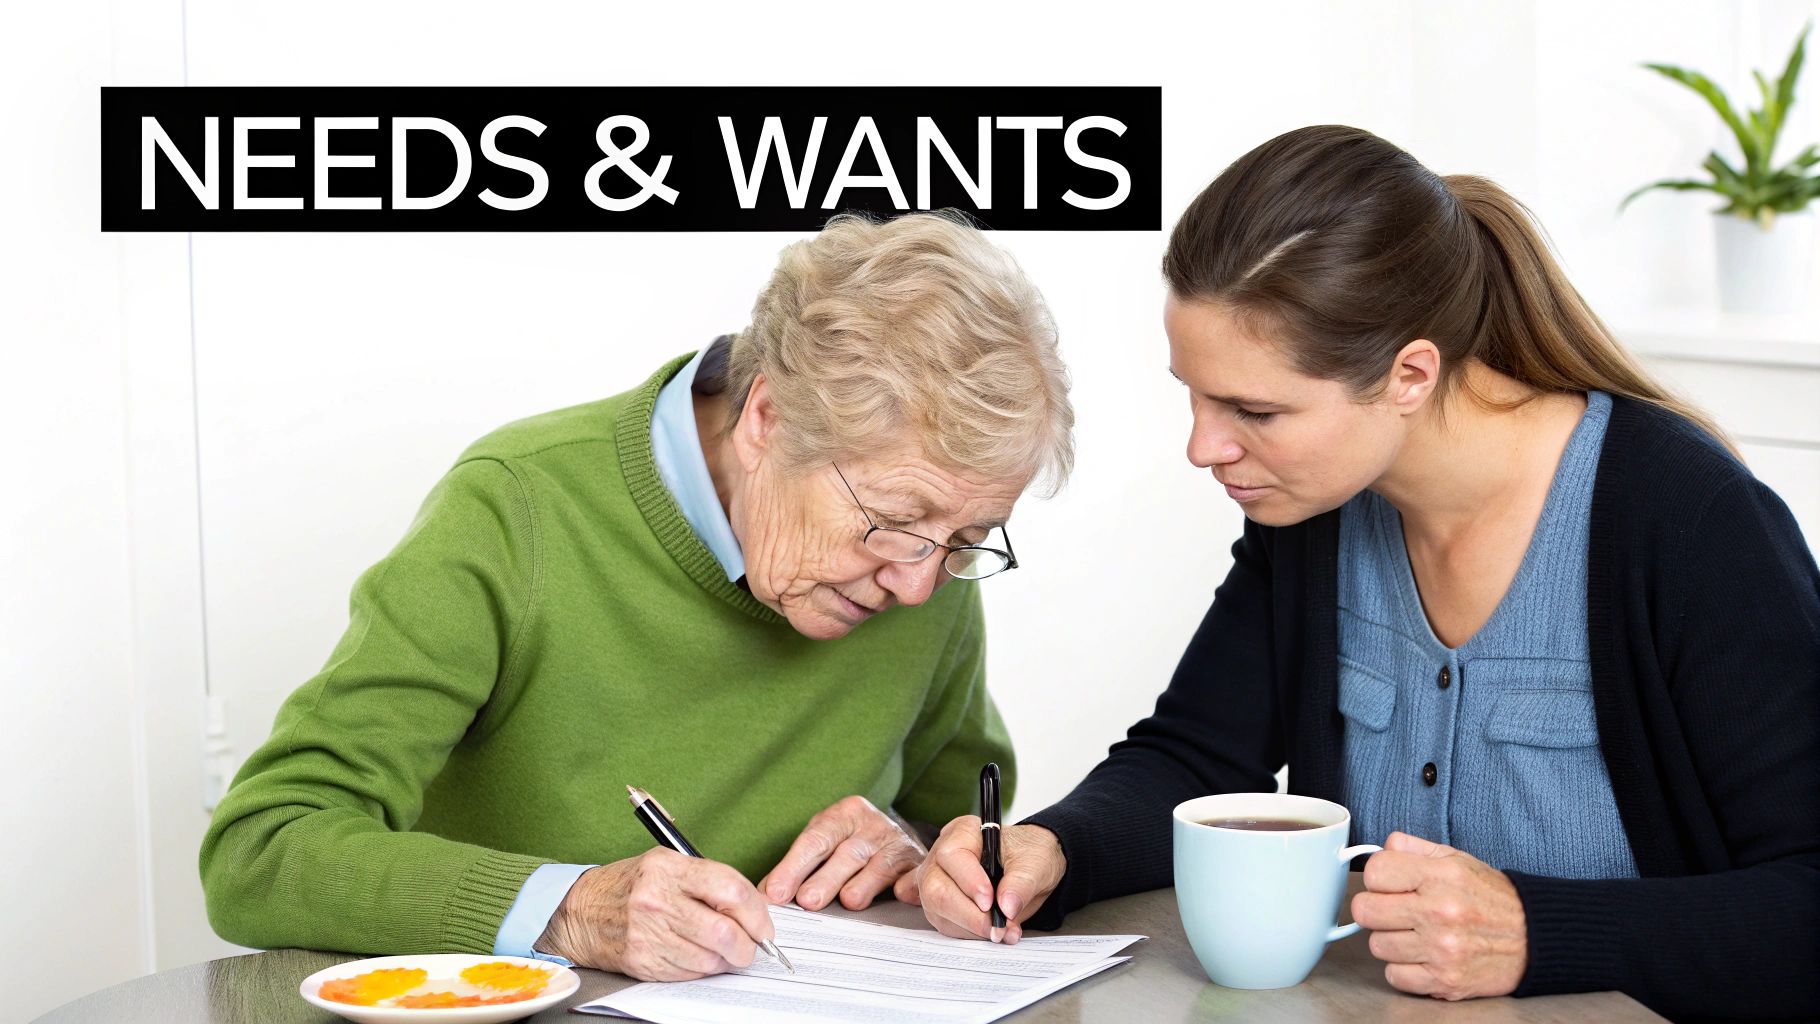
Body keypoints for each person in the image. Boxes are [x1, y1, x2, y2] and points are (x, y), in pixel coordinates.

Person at [908, 126, 1820, 1021]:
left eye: (1254, 410)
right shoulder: (1315, 513)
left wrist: (1536, 932)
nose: (1203, 446)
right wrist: (1055, 848)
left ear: (1410, 375)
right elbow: (1194, 759)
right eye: (1194, 394)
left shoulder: (1690, 522)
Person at [200, 212, 1074, 982]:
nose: (919, 586)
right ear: (767, 418)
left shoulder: (924, 555)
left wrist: (916, 853)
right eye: (893, 522)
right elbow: (263, 847)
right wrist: (570, 909)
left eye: (966, 539)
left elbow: (961, 821)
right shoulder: (518, 507)